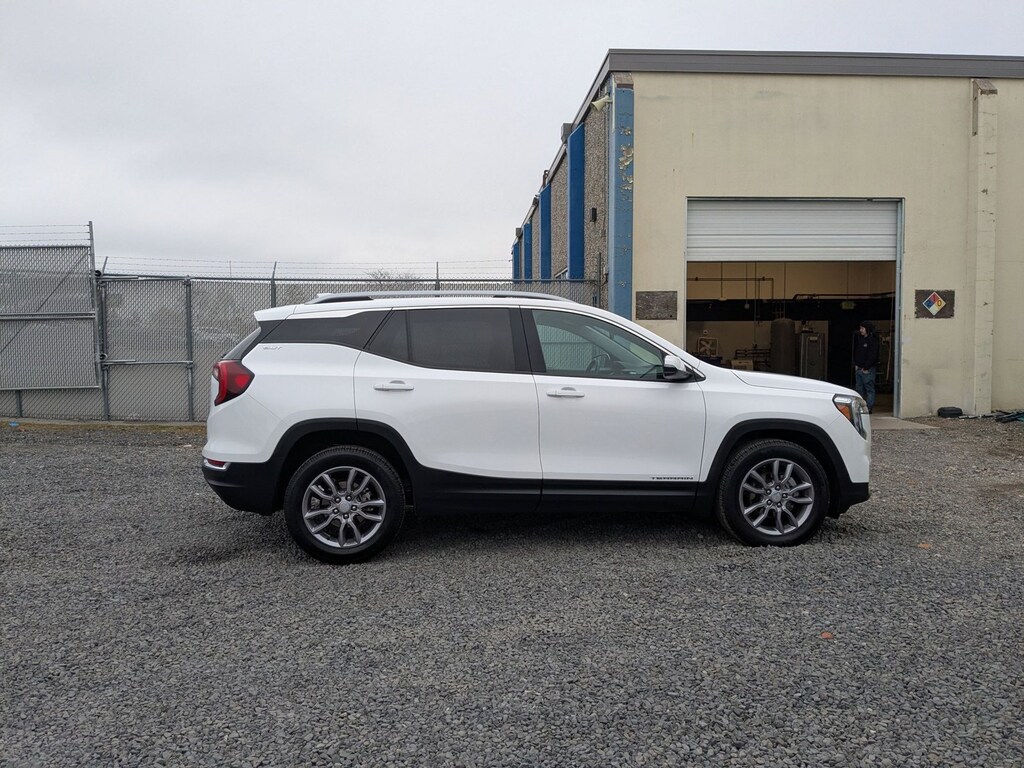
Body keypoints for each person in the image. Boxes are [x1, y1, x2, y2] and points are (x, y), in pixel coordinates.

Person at [853, 320, 880, 413]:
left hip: (868, 369)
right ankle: (860, 407)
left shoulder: (873, 340)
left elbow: (873, 356)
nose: (860, 330)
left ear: (867, 329)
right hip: (859, 368)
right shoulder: (860, 339)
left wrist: (866, 367)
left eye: (862, 328)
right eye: (860, 328)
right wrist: (856, 364)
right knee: (859, 389)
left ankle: (868, 408)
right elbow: (857, 353)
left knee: (869, 389)